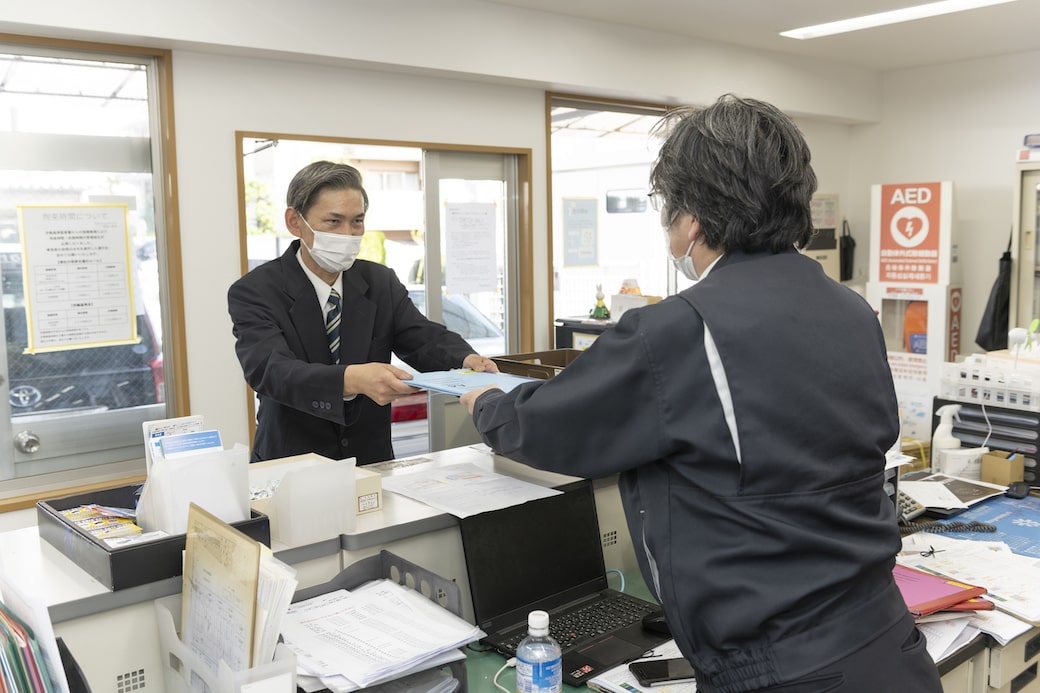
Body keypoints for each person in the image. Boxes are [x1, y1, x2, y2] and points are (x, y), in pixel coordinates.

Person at [461, 95, 942, 693]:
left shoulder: (682, 328)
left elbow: (549, 427)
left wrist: (484, 400)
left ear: (692, 218)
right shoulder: (851, 310)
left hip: (781, 667)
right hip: (885, 641)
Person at [228, 160, 498, 465]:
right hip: (292, 464)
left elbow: (421, 337)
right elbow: (270, 371)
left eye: (357, 221)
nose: (348, 234)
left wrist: (465, 359)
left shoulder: (379, 282)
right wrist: (350, 379)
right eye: (333, 221)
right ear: (295, 221)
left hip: (371, 461)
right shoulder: (256, 290)